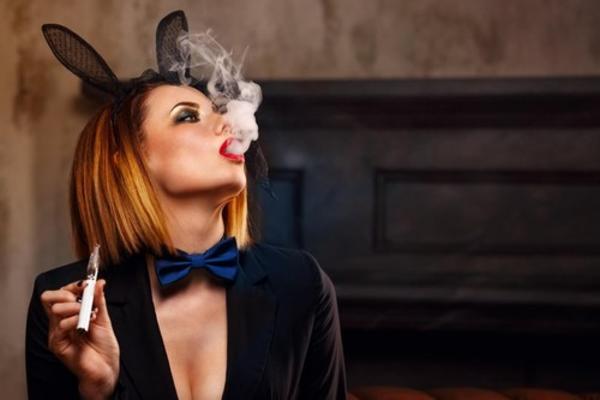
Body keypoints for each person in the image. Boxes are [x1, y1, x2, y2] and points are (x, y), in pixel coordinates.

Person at [25, 10, 348, 400]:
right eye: (188, 116)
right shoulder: (66, 307)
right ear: (129, 159)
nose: (229, 124)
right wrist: (98, 389)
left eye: (219, 112)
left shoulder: (301, 284)